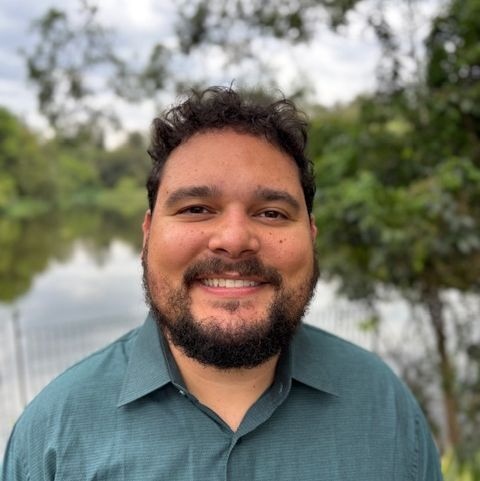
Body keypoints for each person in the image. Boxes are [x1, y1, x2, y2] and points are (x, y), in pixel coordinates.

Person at [2, 86, 443, 480]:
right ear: (147, 234)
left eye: (271, 213)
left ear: (311, 236)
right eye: (196, 208)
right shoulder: (51, 439)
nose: (233, 240)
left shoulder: (386, 408)